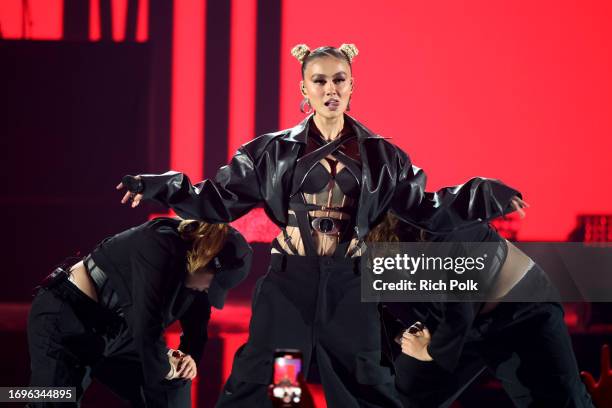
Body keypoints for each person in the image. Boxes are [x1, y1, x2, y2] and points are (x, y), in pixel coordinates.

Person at [117, 43, 527, 407]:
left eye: (339, 79)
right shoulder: (272, 151)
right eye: (319, 80)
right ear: (304, 90)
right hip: (291, 283)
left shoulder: (383, 156)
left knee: (365, 382)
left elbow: (425, 207)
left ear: (352, 86)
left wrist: (485, 195)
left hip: (349, 284)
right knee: (279, 377)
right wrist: (161, 186)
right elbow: (218, 199)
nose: (330, 88)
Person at [368, 212, 594, 407]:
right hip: (444, 322)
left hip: (519, 312)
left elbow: (461, 306)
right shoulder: (353, 238)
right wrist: (397, 333)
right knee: (396, 396)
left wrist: (429, 351)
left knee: (559, 401)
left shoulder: (429, 221)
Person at [27, 217, 252, 408]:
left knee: (173, 385)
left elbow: (197, 329)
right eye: (210, 283)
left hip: (118, 329)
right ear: (205, 258)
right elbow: (146, 325)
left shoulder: (197, 276)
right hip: (68, 317)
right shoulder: (157, 242)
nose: (206, 291)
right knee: (51, 399)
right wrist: (166, 367)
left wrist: (187, 359)